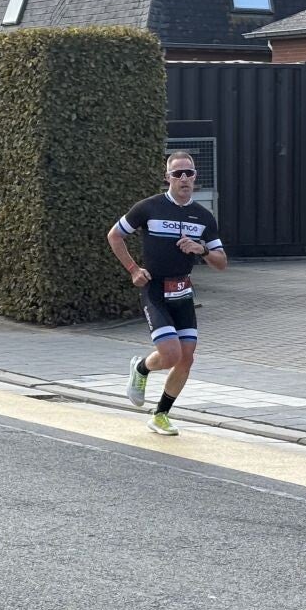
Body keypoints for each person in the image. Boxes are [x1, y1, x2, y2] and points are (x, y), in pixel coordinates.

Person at [106, 151, 228, 435]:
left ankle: (160, 415)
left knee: (187, 357)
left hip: (183, 291)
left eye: (189, 173)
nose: (184, 178)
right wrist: (133, 269)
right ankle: (141, 368)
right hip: (156, 289)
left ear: (195, 177)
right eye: (177, 174)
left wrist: (202, 249)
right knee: (171, 354)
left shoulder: (204, 217)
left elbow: (222, 262)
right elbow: (115, 235)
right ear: (168, 178)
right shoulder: (149, 207)